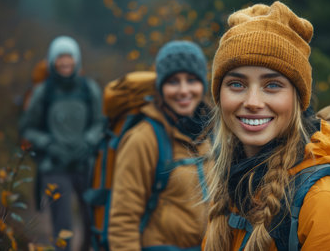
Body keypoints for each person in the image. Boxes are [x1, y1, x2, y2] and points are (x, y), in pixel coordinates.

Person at [203, 1, 330, 250]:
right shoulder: (235, 189)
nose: (252, 102)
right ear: (219, 96)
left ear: (298, 99)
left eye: (272, 85)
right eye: (236, 84)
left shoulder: (324, 203)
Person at [108, 40, 212, 250]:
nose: (184, 90)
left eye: (192, 80)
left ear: (203, 84)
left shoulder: (212, 134)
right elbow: (123, 222)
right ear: (161, 88)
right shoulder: (143, 139)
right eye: (173, 81)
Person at [19, 35, 103, 251]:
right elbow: (28, 128)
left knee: (92, 220)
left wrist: (88, 141)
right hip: (54, 166)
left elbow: (100, 123)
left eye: (69, 57)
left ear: (77, 60)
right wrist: (49, 144)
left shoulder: (89, 89)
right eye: (60, 57)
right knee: (62, 223)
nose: (65, 62)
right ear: (52, 61)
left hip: (85, 165)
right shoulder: (43, 92)